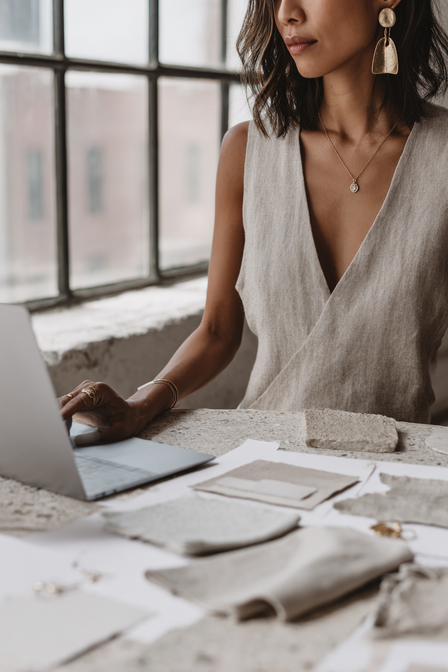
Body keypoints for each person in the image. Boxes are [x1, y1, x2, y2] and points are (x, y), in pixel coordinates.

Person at [61, 0, 448, 445]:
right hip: (262, 460)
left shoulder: (441, 157)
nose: (286, 12)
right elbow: (217, 331)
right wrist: (138, 406)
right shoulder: (248, 151)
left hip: (392, 472)